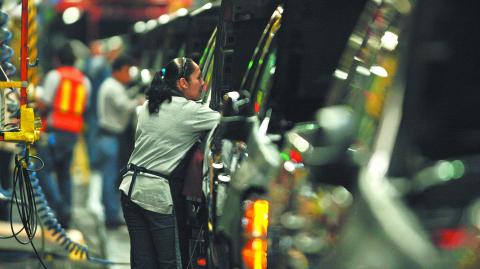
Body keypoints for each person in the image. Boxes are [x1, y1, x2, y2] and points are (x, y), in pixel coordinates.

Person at [119, 57, 220, 268]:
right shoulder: (190, 111)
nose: (203, 83)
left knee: (143, 262)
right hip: (158, 196)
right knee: (170, 263)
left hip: (130, 189)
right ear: (183, 83)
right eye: (199, 77)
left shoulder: (149, 105)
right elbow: (227, 122)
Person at [35, 41, 91, 228]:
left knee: (42, 169)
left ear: (57, 59)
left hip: (53, 132)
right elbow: (85, 107)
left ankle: (58, 205)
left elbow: (44, 103)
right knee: (64, 174)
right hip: (73, 133)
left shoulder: (54, 76)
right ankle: (65, 214)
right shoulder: (84, 81)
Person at [97, 54, 143, 228]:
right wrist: (139, 101)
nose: (129, 75)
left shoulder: (112, 85)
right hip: (110, 138)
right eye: (127, 71)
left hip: (108, 137)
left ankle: (110, 212)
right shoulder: (113, 87)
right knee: (110, 178)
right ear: (120, 70)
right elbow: (124, 105)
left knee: (109, 177)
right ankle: (111, 216)